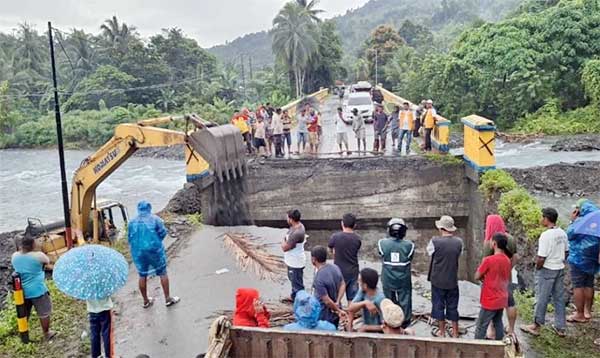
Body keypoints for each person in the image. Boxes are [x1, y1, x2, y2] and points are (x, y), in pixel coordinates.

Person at [520, 208, 568, 337]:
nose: (541, 219)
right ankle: (561, 327)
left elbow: (541, 257)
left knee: (541, 298)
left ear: (547, 218)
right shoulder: (562, 233)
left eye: (542, 217)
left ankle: (536, 325)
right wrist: (559, 261)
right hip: (559, 268)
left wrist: (538, 268)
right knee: (559, 298)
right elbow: (566, 252)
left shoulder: (546, 235)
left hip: (547, 270)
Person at [128, 201, 179, 308]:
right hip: (154, 251)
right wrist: (155, 241)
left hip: (139, 252)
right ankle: (168, 299)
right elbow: (163, 233)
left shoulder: (132, 222)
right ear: (149, 208)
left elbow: (130, 238)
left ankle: (146, 301)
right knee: (162, 272)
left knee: (142, 275)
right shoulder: (155, 219)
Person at [11, 236, 56, 340]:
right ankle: (46, 333)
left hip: (22, 292)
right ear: (32, 245)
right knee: (44, 312)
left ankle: (23, 333)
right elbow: (47, 261)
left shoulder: (14, 256)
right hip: (38, 290)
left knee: (24, 313)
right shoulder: (38, 256)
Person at [426, 215, 463, 338]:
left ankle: (441, 332)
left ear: (441, 228)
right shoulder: (459, 242)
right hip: (452, 280)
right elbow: (459, 254)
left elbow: (429, 252)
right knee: (453, 306)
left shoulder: (434, 241)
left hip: (437, 280)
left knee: (438, 306)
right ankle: (455, 332)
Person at [483, 215, 519, 337]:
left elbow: (485, 262)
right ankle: (511, 330)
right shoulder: (510, 239)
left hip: (493, 280)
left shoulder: (489, 242)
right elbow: (515, 257)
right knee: (510, 302)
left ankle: (491, 330)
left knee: (492, 304)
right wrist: (508, 268)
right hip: (507, 277)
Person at [566, 199, 600, 323]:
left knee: (578, 286)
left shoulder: (582, 221)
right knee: (589, 284)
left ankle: (579, 314)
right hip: (593, 258)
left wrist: (572, 220)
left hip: (578, 258)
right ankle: (587, 312)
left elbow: (569, 234)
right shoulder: (598, 220)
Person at [474, 233, 512, 340]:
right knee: (498, 322)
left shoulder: (488, 260)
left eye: (491, 241)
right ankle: (499, 346)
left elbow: (477, 276)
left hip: (490, 299)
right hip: (502, 298)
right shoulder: (507, 260)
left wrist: (482, 275)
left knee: (481, 326)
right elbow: (506, 278)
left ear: (494, 244)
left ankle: (477, 348)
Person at [378, 218, 414, 329]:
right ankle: (405, 321)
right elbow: (410, 258)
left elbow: (381, 254)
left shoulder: (382, 243)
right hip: (403, 278)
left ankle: (389, 320)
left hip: (388, 278)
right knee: (405, 298)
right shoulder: (409, 245)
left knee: (388, 299)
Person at [328, 213, 362, 302]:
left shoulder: (335, 237)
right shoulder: (357, 239)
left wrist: (335, 253)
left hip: (339, 271)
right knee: (352, 298)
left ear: (342, 223)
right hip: (353, 271)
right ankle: (351, 314)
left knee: (336, 297)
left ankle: (338, 313)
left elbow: (330, 248)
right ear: (354, 225)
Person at [311, 246, 346, 327]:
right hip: (336, 310)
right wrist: (337, 301)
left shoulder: (319, 277)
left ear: (313, 259)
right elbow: (343, 284)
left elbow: (326, 301)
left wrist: (337, 310)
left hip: (324, 313)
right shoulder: (335, 267)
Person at [346, 268, 385, 332]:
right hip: (365, 326)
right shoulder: (362, 291)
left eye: (360, 281)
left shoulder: (380, 299)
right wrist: (365, 303)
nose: (358, 282)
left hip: (378, 333)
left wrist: (366, 327)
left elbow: (386, 326)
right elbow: (351, 308)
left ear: (365, 285)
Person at [281, 209, 306, 302]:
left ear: (291, 219)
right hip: (292, 260)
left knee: (297, 283)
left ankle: (301, 301)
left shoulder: (297, 233)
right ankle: (294, 295)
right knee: (293, 279)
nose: (286, 219)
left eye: (287, 218)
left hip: (295, 262)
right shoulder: (296, 226)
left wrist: (283, 241)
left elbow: (285, 247)